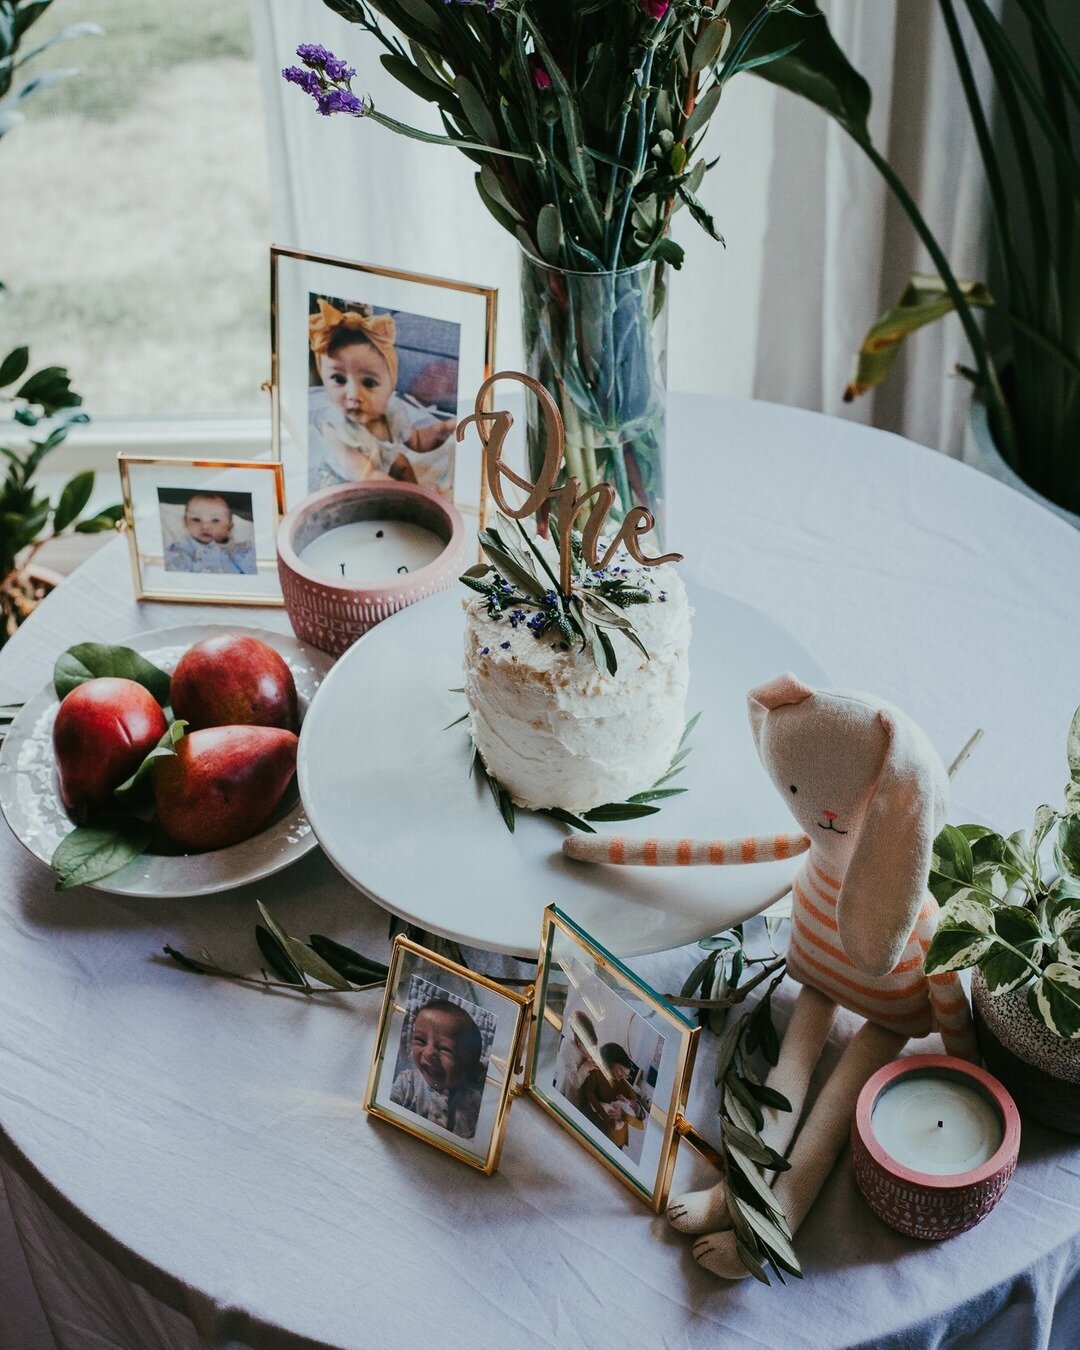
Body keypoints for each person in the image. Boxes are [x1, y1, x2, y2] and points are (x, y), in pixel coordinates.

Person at [307, 298, 457, 497]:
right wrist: (412, 495)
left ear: (390, 387)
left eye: (368, 383)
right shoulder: (335, 429)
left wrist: (442, 430)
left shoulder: (392, 413)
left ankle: (417, 499)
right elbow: (367, 475)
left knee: (400, 461)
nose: (353, 395)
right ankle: (415, 498)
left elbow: (418, 441)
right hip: (352, 488)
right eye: (338, 379)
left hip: (379, 471)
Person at [390, 997, 486, 1140]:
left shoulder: (474, 1101)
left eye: (445, 1049)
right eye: (420, 1041)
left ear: (469, 1067)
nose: (428, 1054)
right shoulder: (406, 1082)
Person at [163, 492, 256, 575]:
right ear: (185, 522)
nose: (205, 527)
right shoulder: (183, 548)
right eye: (196, 520)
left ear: (229, 527)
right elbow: (175, 573)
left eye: (215, 520)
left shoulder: (239, 550)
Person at [578, 1043, 646, 1151]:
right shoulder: (595, 1073)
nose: (622, 1076)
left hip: (617, 1141)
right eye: (620, 1071)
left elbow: (640, 1124)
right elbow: (590, 1096)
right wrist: (608, 1119)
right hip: (599, 1133)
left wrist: (623, 1114)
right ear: (611, 1062)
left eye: (625, 1075)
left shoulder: (623, 1084)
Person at [554, 1010, 598, 1111]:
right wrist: (587, 1066)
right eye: (586, 1045)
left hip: (581, 1095)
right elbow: (575, 1082)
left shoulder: (592, 1041)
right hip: (567, 1093)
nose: (590, 1051)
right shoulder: (567, 1046)